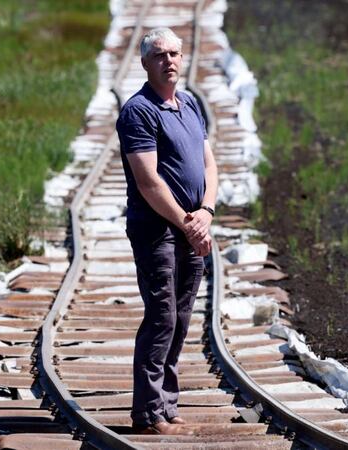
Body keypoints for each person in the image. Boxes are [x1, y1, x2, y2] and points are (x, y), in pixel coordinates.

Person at [115, 27, 218, 435]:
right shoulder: (138, 111)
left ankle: (167, 405)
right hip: (156, 230)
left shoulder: (190, 104)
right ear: (145, 63)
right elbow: (149, 181)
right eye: (159, 55)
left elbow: (210, 165)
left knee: (182, 316)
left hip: (193, 226)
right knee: (162, 317)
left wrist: (206, 212)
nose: (169, 61)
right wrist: (189, 223)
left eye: (174, 53)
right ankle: (148, 414)